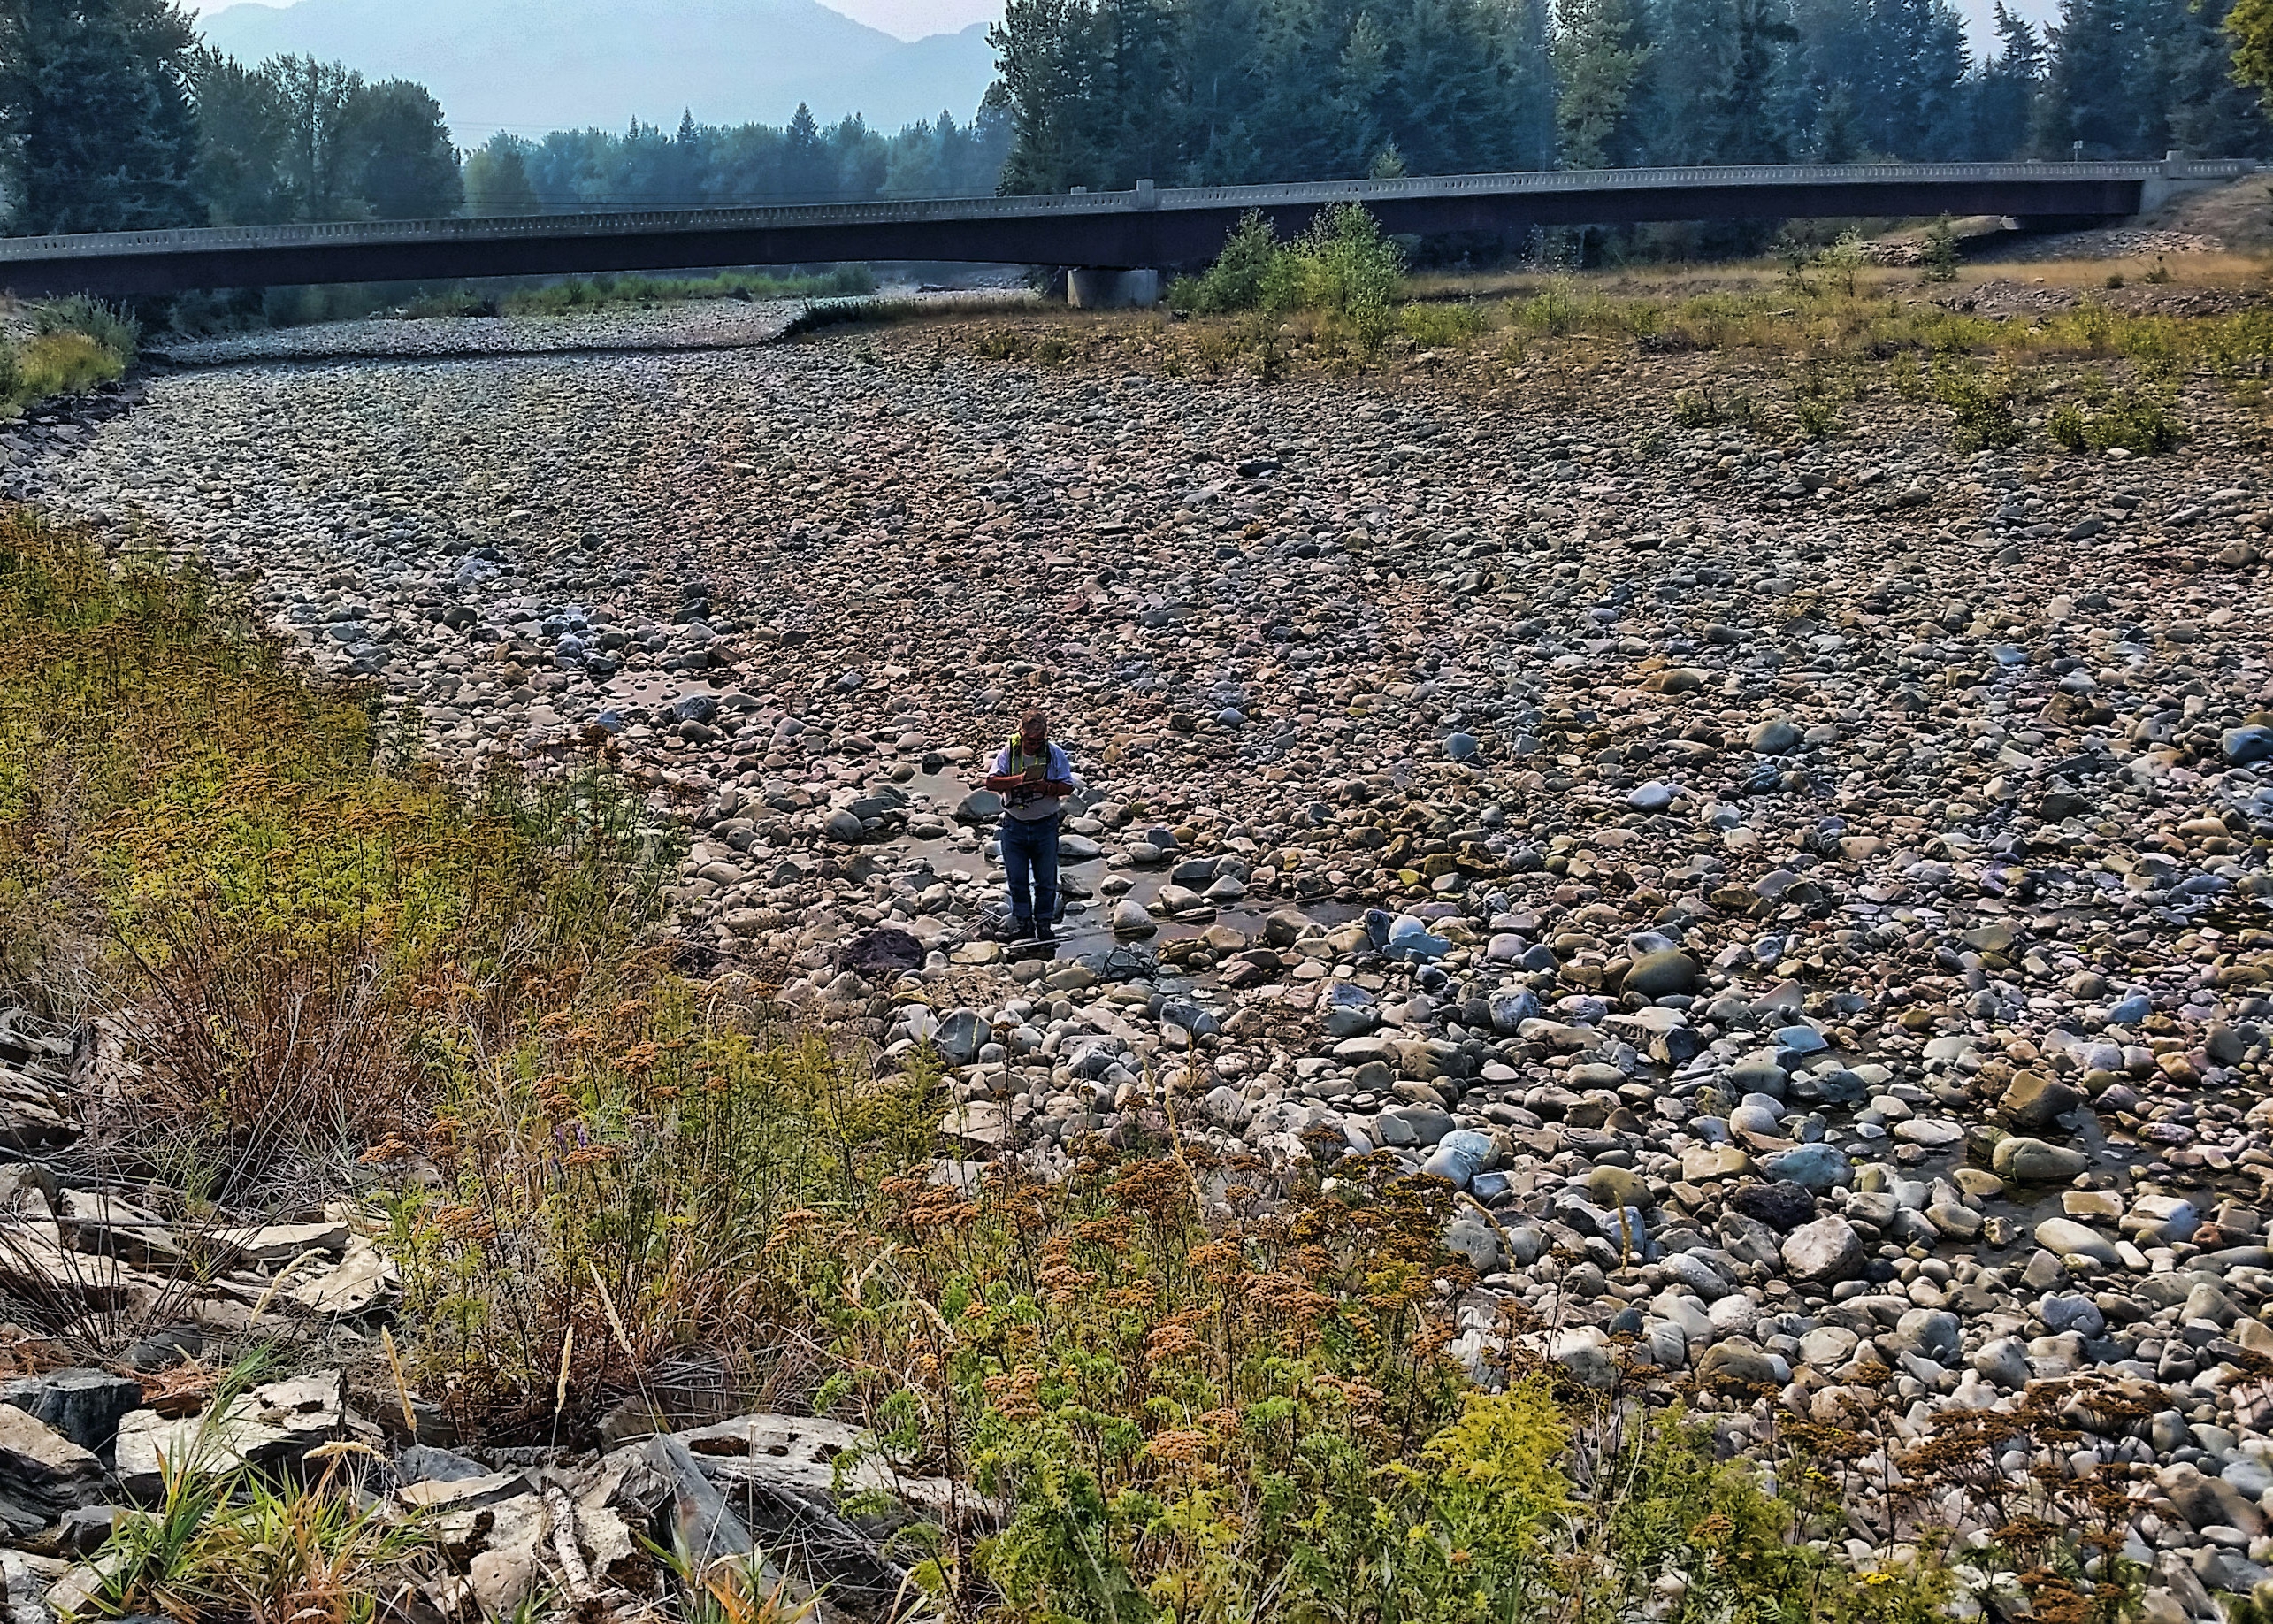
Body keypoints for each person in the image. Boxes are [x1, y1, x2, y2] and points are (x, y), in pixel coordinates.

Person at [985, 709, 1075, 944]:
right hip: (1014, 826)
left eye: (1039, 741)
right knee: (1017, 879)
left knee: (1046, 879)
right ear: (1020, 733)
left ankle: (1044, 924)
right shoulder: (1009, 752)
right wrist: (1020, 780)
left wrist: (1046, 787)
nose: (1034, 745)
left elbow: (1068, 786)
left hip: (1045, 826)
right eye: (1029, 741)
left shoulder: (1054, 754)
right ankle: (1023, 923)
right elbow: (991, 782)